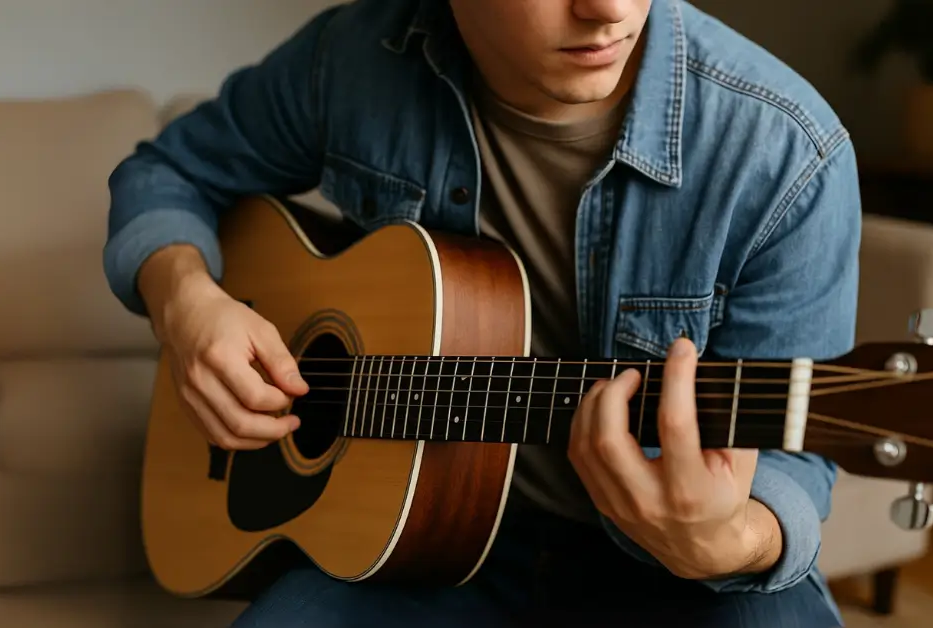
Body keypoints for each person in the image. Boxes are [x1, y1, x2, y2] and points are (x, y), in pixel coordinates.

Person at [103, 0, 861, 625]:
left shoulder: (786, 151)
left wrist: (729, 540)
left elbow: (797, 458)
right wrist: (186, 302)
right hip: (424, 552)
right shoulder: (352, 60)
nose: (608, 11)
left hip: (677, 573)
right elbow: (167, 172)